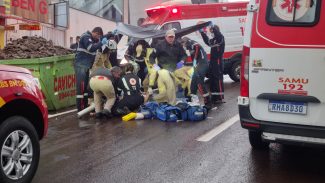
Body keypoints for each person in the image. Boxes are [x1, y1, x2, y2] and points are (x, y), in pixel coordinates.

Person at [74, 27, 108, 112]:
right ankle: (80, 109)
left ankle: (85, 108)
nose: (98, 38)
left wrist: (108, 37)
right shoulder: (86, 37)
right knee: (81, 88)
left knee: (85, 89)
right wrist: (101, 43)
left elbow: (97, 48)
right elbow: (91, 48)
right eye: (98, 36)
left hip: (86, 66)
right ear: (95, 33)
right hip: (81, 65)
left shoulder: (94, 40)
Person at [181, 37, 211, 107]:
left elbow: (197, 47)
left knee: (199, 81)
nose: (184, 46)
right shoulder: (190, 45)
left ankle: (207, 101)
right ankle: (192, 98)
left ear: (185, 42)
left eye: (183, 45)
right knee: (193, 81)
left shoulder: (192, 43)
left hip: (202, 63)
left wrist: (194, 60)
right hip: (199, 63)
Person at [200, 24, 225, 103]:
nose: (211, 32)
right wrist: (202, 33)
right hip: (213, 62)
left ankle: (220, 97)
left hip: (218, 61)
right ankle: (214, 96)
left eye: (212, 30)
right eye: (210, 31)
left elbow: (218, 34)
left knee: (218, 79)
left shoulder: (220, 38)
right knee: (212, 79)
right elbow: (207, 41)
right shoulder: (214, 39)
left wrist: (213, 27)